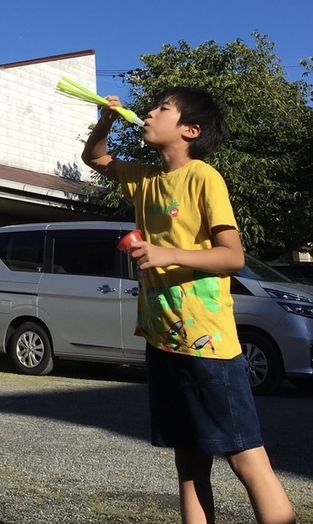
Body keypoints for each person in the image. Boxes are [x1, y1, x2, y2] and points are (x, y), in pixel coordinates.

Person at [81, 86, 295, 524]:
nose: (151, 113)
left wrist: (167, 254)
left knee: (245, 459)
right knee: (189, 464)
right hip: (163, 341)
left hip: (208, 345)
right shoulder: (144, 178)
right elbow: (95, 158)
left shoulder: (203, 177)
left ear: (190, 130)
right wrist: (105, 119)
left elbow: (232, 255)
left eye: (163, 109)